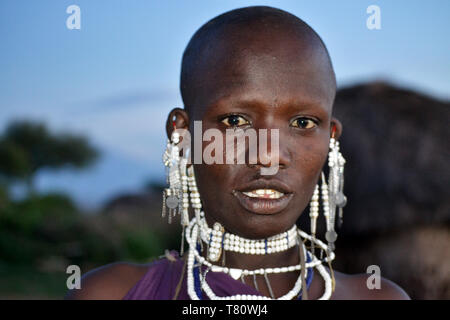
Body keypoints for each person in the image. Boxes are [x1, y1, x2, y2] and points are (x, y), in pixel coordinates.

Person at [65, 6, 410, 300]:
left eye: (303, 122)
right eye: (235, 120)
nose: (270, 155)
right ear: (183, 134)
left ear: (330, 138)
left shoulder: (380, 297)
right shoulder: (109, 293)